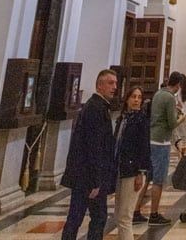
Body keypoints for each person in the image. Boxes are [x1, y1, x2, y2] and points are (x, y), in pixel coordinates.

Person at [60, 69, 118, 240]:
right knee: (86, 217)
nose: (114, 87)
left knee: (88, 217)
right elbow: (94, 147)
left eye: (115, 83)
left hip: (88, 176)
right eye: (110, 83)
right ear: (99, 86)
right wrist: (95, 181)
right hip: (88, 177)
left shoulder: (98, 106)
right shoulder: (95, 109)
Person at [134, 71, 185, 225]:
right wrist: (182, 117)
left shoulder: (158, 94)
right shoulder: (170, 97)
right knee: (159, 180)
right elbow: (171, 123)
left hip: (152, 138)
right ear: (178, 85)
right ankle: (154, 214)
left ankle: (136, 210)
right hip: (161, 141)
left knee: (148, 177)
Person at [113, 86, 151, 240]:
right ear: (127, 99)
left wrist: (141, 172)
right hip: (120, 169)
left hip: (133, 170)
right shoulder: (123, 119)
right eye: (133, 96)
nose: (136, 100)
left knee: (125, 217)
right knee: (119, 214)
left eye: (139, 97)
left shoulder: (141, 120)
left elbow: (144, 147)